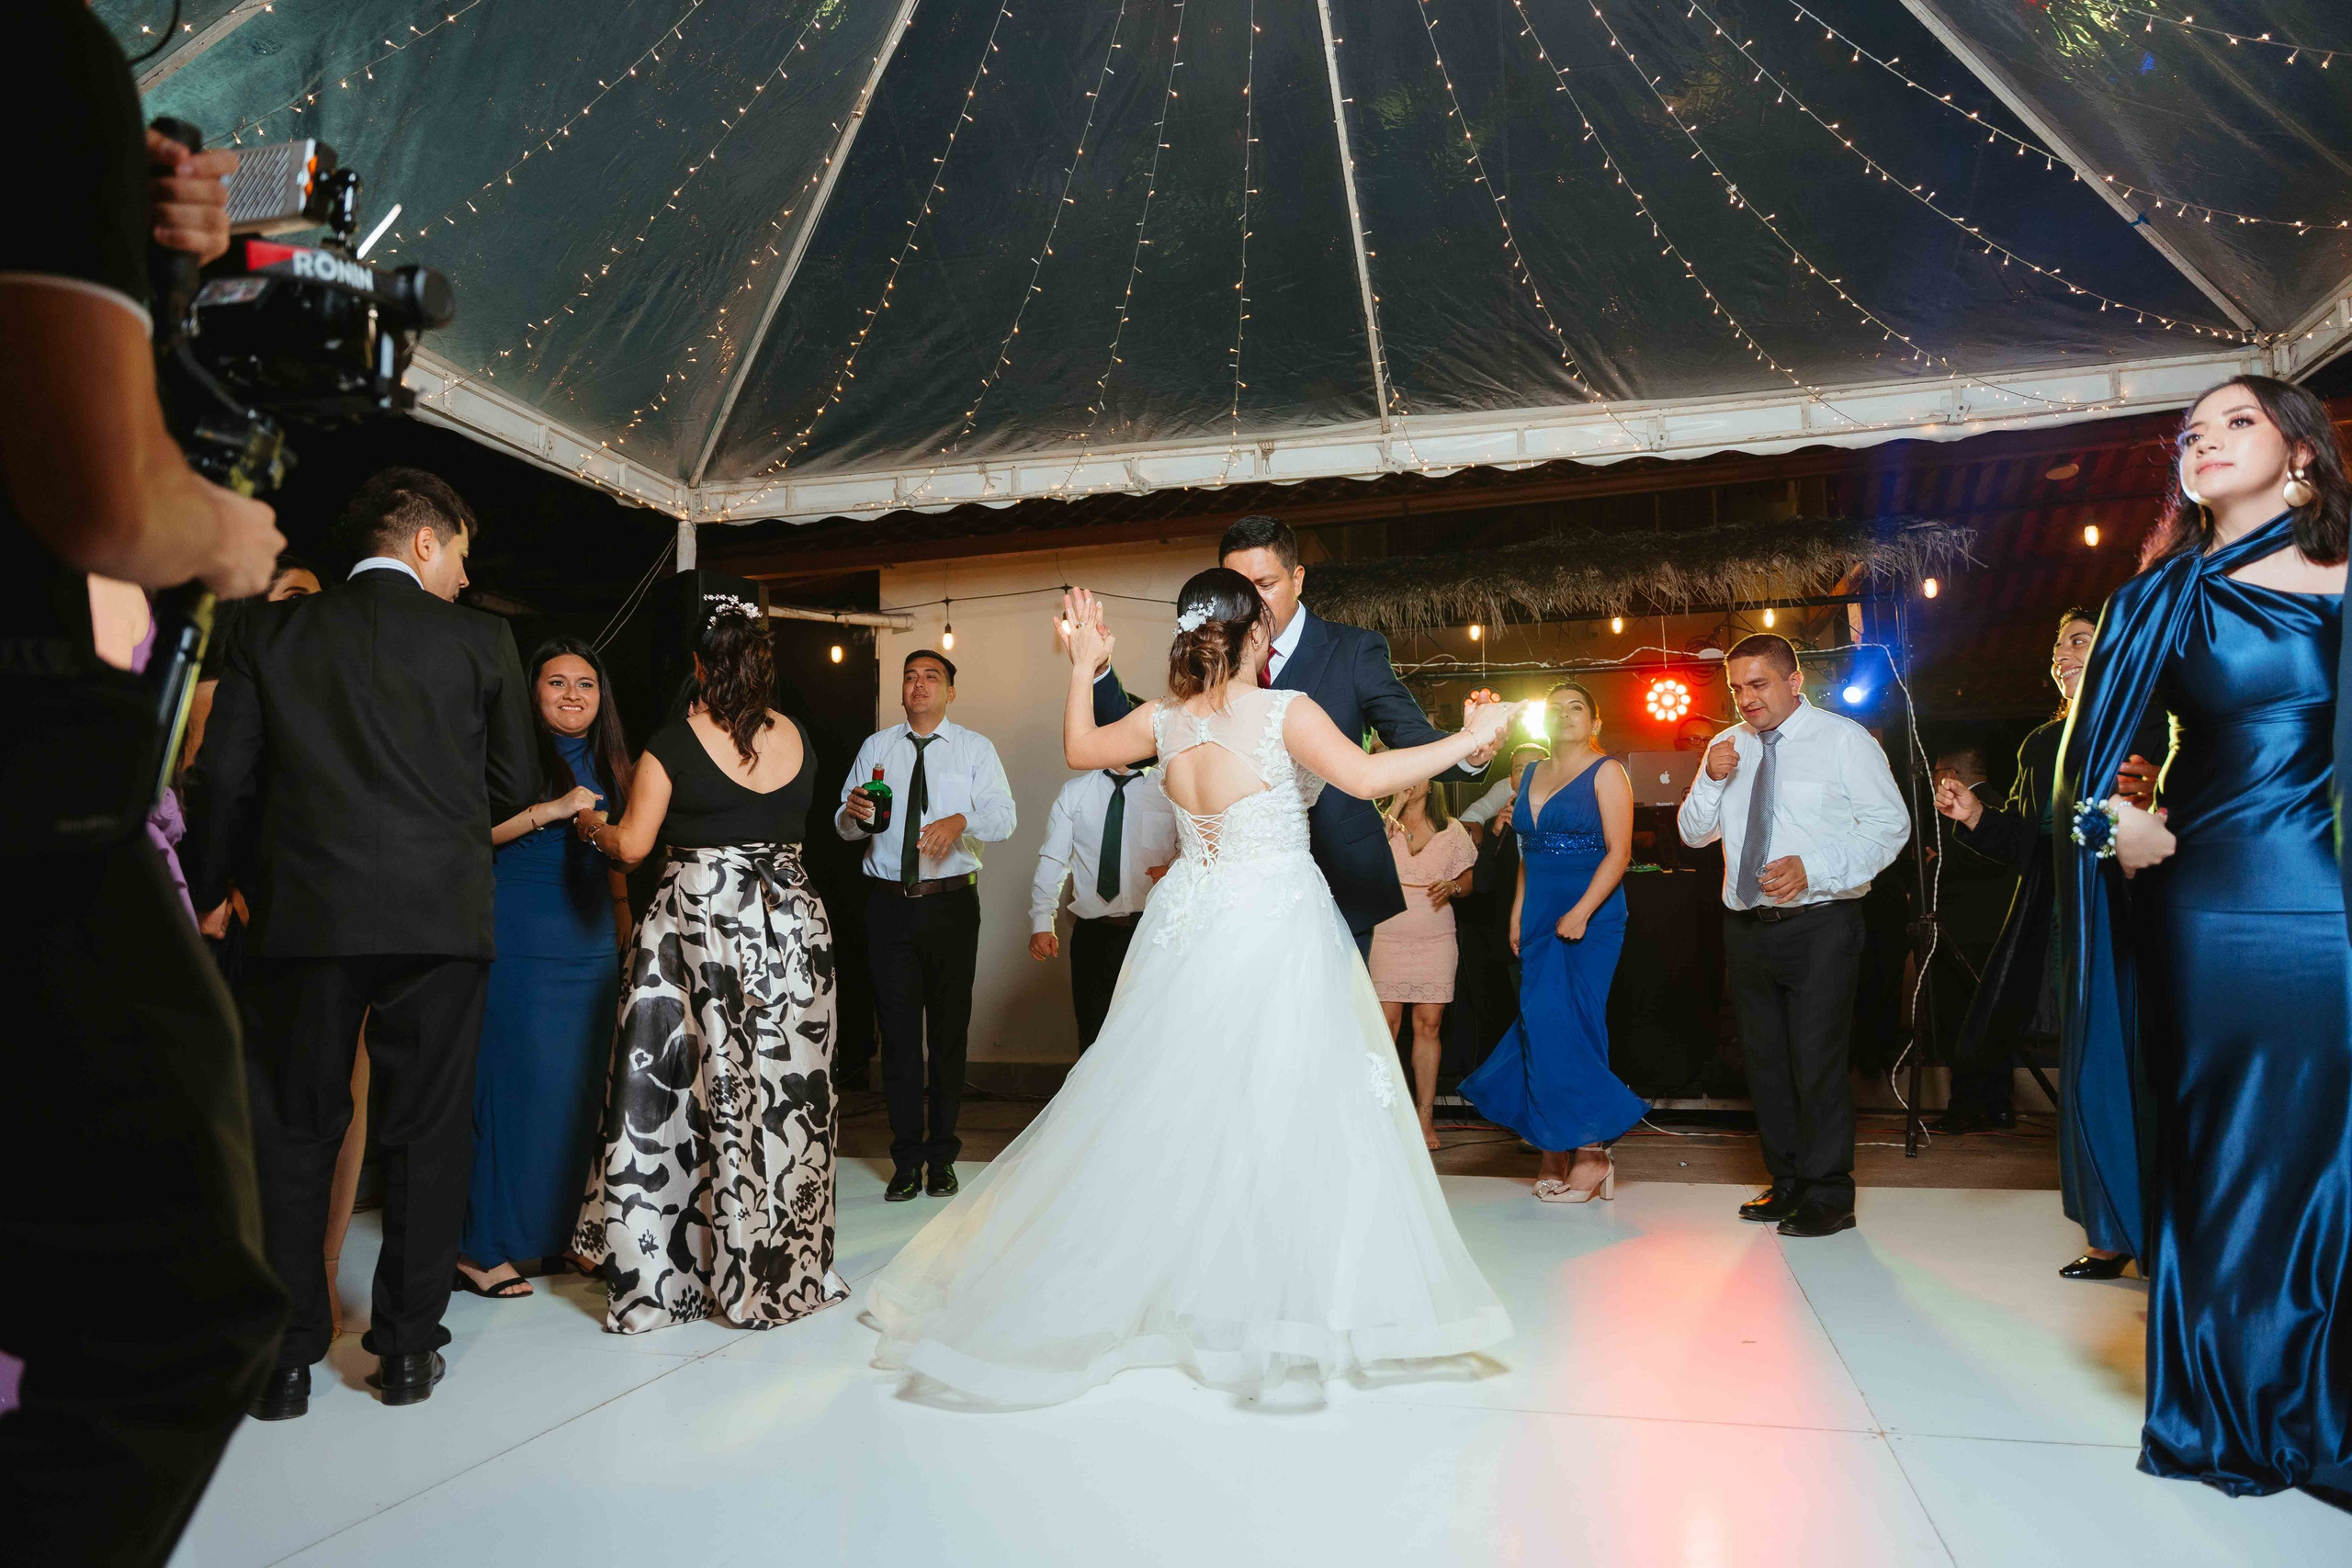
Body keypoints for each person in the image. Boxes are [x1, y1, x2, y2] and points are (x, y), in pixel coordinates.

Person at [865, 573, 1518, 1405]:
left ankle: (1186, 1280)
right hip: (1274, 919)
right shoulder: (1286, 712)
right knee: (1283, 1104)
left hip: (1189, 921)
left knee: (1174, 1101)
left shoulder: (1161, 720)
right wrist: (1468, 744)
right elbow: (1365, 776)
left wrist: (1083, 666)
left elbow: (1080, 750)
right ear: (1251, 637)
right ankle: (1272, 1295)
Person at [0, 7, 288, 1562]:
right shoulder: (38, 54)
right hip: (35, 792)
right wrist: (229, 536)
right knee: (181, 1302)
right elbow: (104, 493)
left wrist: (146, 274)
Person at [182, 467, 535, 1416]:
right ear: (425, 540)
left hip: (304, 920)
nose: (464, 575)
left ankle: (287, 1360)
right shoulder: (482, 640)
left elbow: (223, 782)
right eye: (460, 554)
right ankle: (409, 1352)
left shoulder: (271, 631)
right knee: (425, 1133)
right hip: (440, 923)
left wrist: (214, 889)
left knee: (294, 1132)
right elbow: (512, 784)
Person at [2059, 374, 2352, 1499]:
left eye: (2237, 421)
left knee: (2333, 1153)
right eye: (2191, 431)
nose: (2205, 441)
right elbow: (2085, 789)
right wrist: (2116, 821)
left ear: (2302, 454)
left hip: (2336, 901)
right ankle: (2220, 1406)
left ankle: (2323, 1403)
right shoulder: (2159, 601)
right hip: (2217, 904)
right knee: (2225, 1150)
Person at [573, 597, 846, 1334]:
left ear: (699, 664)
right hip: (791, 935)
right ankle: (783, 1265)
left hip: (702, 930)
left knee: (683, 1100)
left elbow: (633, 845)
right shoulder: (796, 737)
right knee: (781, 1097)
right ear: (764, 664)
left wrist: (590, 824)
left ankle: (679, 1274)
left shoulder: (671, 743)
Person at [1090, 515, 1497, 962]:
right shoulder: (1206, 664)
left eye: (1264, 585)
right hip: (1233, 901)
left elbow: (1411, 737)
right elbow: (1150, 734)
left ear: (1297, 579)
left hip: (1341, 881)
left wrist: (1471, 746)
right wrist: (1096, 670)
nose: (1251, 604)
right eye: (1238, 587)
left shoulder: (1354, 649)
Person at [1933, 614, 2161, 1286]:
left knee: (2151, 1071)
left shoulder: (2148, 719)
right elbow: (2034, 841)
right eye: (2058, 640)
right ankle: (2110, 1230)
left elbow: (2149, 815)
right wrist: (1975, 817)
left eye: (2079, 638)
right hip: (2073, 921)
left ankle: (2173, 1230)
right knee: (2092, 1073)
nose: (2062, 650)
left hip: (2138, 914)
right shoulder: (2041, 744)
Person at [1678, 633, 1909, 1238]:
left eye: (1758, 684)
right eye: (1736, 687)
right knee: (1765, 1064)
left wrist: (1816, 868)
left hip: (1821, 924)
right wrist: (1707, 775)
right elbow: (1693, 833)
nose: (1746, 698)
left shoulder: (1843, 740)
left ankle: (1830, 1192)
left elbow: (1890, 826)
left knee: (1817, 1059)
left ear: (1793, 681)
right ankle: (1786, 1182)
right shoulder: (1726, 746)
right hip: (1746, 927)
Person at [455, 638, 633, 1300]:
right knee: (513, 1087)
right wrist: (548, 812)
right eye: (556, 682)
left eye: (585, 684)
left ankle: (570, 1235)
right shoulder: (508, 749)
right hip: (520, 931)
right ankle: (482, 1247)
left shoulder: (615, 757)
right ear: (532, 692)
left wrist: (620, 906)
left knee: (581, 1090)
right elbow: (466, 831)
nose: (571, 695)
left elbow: (620, 847)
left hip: (587, 936)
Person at [836, 649, 1017, 1202]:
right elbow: (843, 826)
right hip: (888, 905)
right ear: (902, 691)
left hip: (950, 905)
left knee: (947, 1031)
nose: (919, 685)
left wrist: (961, 819)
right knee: (896, 1035)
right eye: (910, 677)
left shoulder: (973, 749)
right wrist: (853, 814)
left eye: (931, 677)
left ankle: (942, 1157)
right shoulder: (876, 748)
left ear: (950, 691)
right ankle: (905, 1159)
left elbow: (1005, 818)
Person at [1461, 682, 1646, 1201]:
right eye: (1556, 709)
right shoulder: (1535, 770)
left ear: (1595, 721)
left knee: (1574, 1027)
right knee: (1536, 1025)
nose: (1565, 716)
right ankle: (1552, 1149)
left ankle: (1590, 1153)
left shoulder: (1607, 771)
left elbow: (1620, 852)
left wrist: (1582, 911)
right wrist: (1520, 911)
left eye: (1577, 707)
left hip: (1590, 913)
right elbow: (1529, 852)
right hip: (1539, 912)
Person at [1029, 762, 1179, 1051]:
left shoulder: (1170, 788)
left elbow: (1195, 848)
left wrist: (1173, 868)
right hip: (1093, 936)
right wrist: (1041, 923)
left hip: (1153, 934)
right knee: (1093, 1038)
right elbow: (1053, 860)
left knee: (1150, 1039)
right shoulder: (1076, 793)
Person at [1369, 778, 1477, 1148]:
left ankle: (1424, 1118)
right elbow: (1366, 857)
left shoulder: (1452, 828)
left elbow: (1469, 878)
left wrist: (1454, 887)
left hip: (1435, 936)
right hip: (1386, 933)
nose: (1411, 781)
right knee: (1385, 1025)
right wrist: (1394, 805)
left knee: (1428, 1025)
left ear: (1431, 785)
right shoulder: (1382, 821)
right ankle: (1381, 1114)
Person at [1458, 740, 1548, 843]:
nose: (1527, 776)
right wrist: (1491, 839)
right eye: (1520, 770)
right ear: (1511, 781)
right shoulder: (1505, 788)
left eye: (1536, 769)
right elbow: (1469, 820)